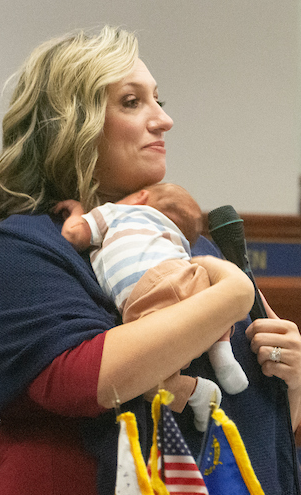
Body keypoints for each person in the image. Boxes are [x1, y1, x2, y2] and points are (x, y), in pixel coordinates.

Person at [0, 26, 301, 495]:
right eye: (131, 101)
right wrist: (232, 294)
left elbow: (243, 424)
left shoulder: (183, 249)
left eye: (157, 99)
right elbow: (84, 380)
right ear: (71, 126)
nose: (162, 119)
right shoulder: (21, 248)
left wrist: (290, 383)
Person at [55, 181, 249, 424]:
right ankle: (221, 351)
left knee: (145, 375)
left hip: (145, 298)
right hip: (185, 273)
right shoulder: (177, 240)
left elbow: (73, 234)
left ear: (140, 197)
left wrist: (77, 210)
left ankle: (195, 391)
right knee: (215, 309)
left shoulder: (115, 212)